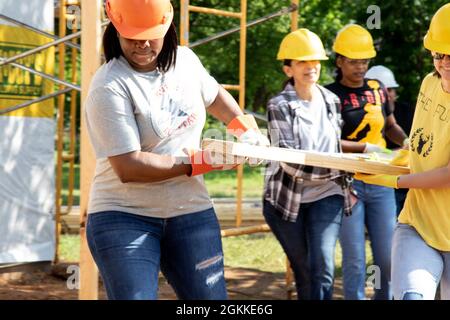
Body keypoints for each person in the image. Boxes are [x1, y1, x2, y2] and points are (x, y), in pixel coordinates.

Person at [84, 0, 268, 300]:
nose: (142, 44)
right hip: (124, 216)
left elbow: (215, 95)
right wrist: (200, 163)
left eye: (151, 35)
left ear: (168, 27)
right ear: (115, 29)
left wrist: (245, 130)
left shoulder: (186, 60)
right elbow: (129, 167)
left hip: (191, 212)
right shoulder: (109, 85)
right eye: (132, 36)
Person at [356, 3, 450, 300]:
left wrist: (394, 181)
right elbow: (420, 142)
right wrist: (394, 161)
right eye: (439, 54)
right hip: (418, 223)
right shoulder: (428, 84)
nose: (445, 62)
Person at [263, 28, 354, 300]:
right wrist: (343, 167)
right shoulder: (279, 105)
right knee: (304, 271)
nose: (311, 66)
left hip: (327, 194)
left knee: (323, 267)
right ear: (288, 69)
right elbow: (290, 162)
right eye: (302, 61)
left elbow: (333, 148)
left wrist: (348, 165)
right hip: (286, 200)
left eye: (314, 61)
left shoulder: (332, 101)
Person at [326, 24, 409, 300]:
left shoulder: (378, 89)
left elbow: (390, 125)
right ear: (339, 61)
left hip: (381, 182)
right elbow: (326, 141)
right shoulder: (329, 95)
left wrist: (406, 141)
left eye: (364, 61)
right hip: (346, 184)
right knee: (354, 259)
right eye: (353, 61)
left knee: (387, 256)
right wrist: (364, 146)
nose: (360, 67)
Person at [366, 65, 415, 215]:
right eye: (384, 91)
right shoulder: (366, 115)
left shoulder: (408, 112)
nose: (388, 95)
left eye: (391, 91)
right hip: (381, 178)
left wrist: (406, 146)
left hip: (407, 180)